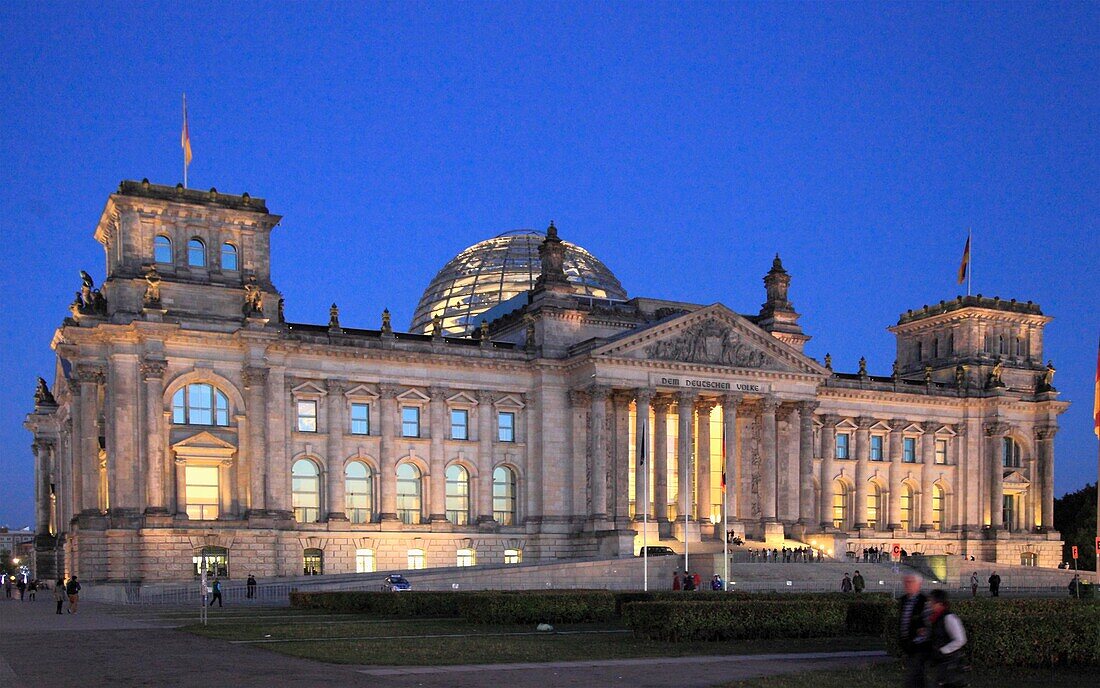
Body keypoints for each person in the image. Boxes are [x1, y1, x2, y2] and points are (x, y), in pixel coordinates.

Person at [928, 589, 968, 687]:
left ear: (940, 603)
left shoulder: (949, 618)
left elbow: (960, 639)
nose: (929, 604)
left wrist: (943, 650)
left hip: (951, 663)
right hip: (942, 662)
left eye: (931, 602)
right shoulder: (935, 618)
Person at [898, 573, 930, 688]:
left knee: (913, 675)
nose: (907, 585)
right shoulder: (904, 600)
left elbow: (928, 624)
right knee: (917, 676)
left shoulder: (924, 601)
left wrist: (919, 638)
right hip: (907, 644)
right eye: (906, 582)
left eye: (910, 582)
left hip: (919, 645)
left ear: (918, 585)